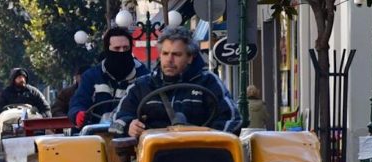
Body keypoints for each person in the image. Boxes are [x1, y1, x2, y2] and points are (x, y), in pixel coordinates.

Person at [113, 27, 242, 137]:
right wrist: (129, 126)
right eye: (165, 53)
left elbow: (232, 120)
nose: (169, 60)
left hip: (201, 158)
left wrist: (210, 139)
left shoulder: (208, 82)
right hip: (151, 160)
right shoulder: (141, 86)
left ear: (190, 57)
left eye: (177, 54)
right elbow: (116, 121)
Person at [69, 27, 149, 128]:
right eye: (116, 48)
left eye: (125, 48)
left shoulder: (144, 76)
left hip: (133, 134)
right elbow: (78, 101)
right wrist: (77, 114)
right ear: (107, 50)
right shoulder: (92, 76)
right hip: (98, 135)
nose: (121, 52)